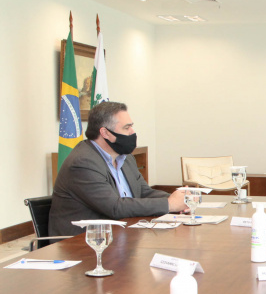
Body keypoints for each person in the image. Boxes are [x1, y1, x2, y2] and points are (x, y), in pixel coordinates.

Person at [49, 101, 187, 236]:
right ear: (105, 133)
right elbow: (114, 207)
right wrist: (169, 204)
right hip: (83, 243)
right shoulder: (83, 163)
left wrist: (181, 200)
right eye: (126, 128)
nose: (132, 132)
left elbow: (143, 192)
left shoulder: (125, 158)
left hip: (121, 235)